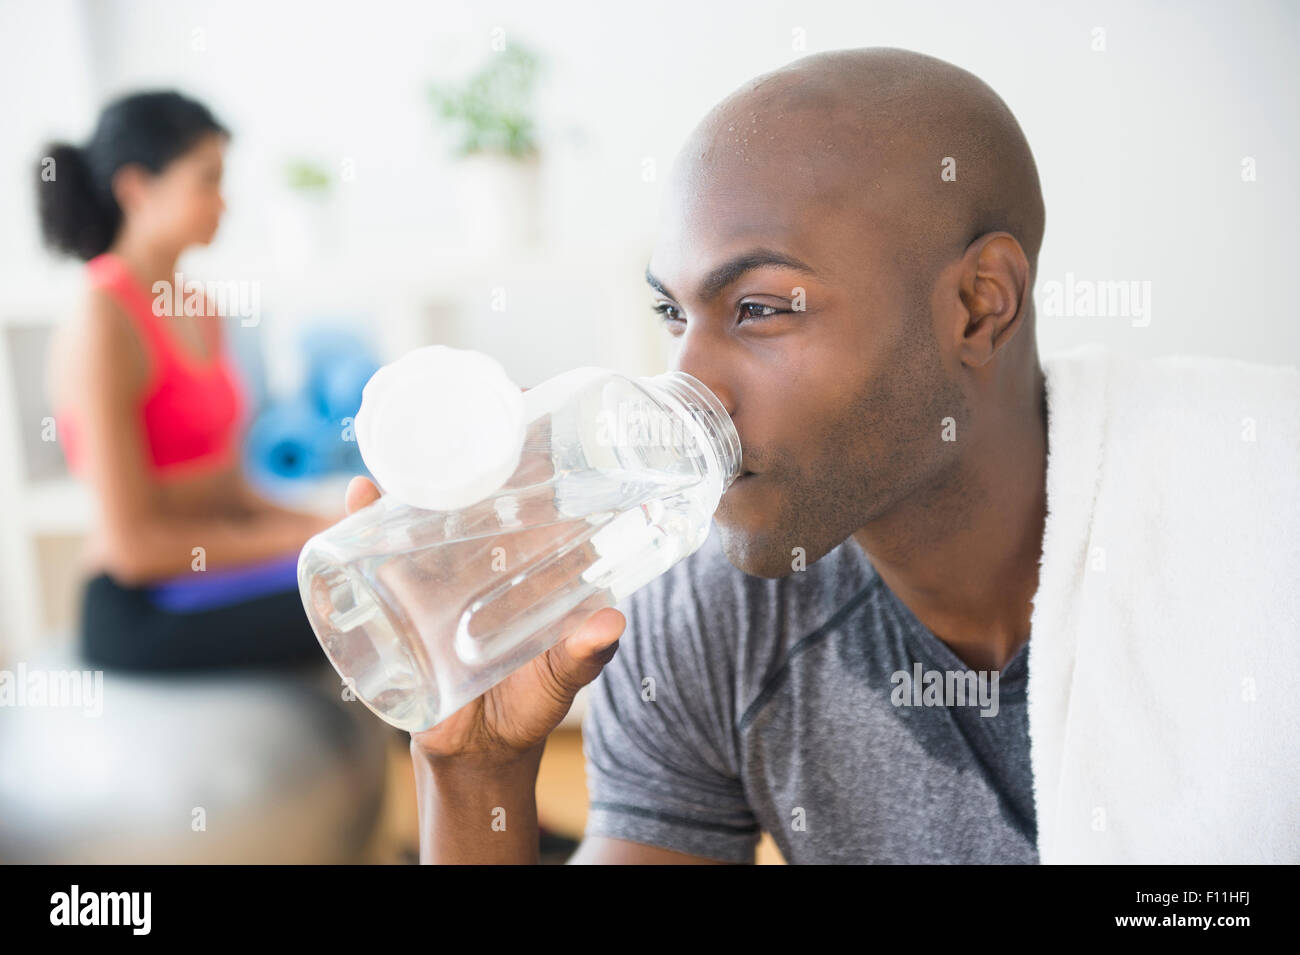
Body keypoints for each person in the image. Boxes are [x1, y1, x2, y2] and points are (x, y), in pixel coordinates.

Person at [340, 48, 1294, 864]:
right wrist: (473, 769)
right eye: (673, 314)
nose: (689, 384)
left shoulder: (1259, 526)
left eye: (758, 308)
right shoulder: (708, 625)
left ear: (978, 304)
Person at [37, 90, 341, 672]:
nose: (223, 202)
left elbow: (228, 489)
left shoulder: (200, 306)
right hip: (142, 607)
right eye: (207, 180)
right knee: (369, 591)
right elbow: (133, 549)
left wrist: (330, 525)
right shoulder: (101, 320)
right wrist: (306, 545)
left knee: (382, 564)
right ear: (135, 188)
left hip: (215, 570)